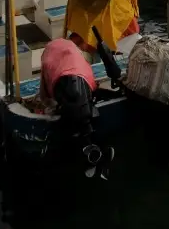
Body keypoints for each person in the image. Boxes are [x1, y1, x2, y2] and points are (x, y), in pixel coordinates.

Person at [39, 38, 114, 178]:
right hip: (83, 83)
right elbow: (92, 81)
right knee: (82, 110)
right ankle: (93, 149)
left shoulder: (47, 57)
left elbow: (44, 95)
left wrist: (49, 105)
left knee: (71, 114)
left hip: (64, 87)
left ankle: (87, 150)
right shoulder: (78, 56)